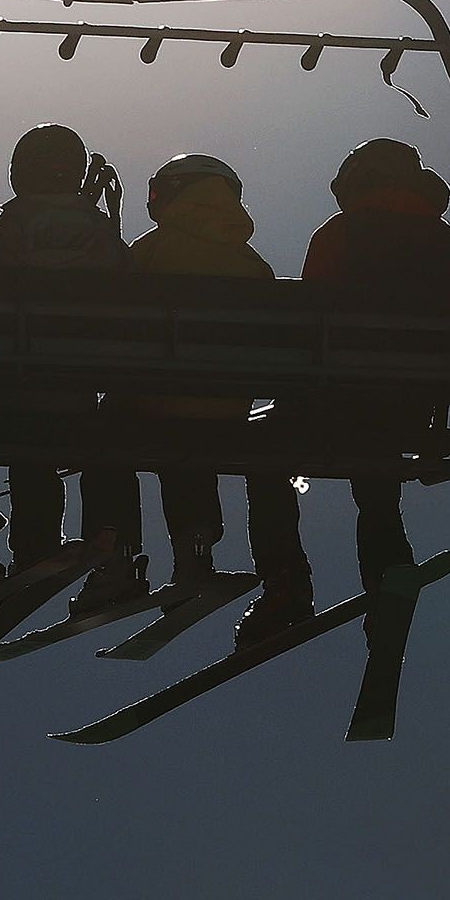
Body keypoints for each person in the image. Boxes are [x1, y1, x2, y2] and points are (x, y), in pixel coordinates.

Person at [239, 137, 450, 647]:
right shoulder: (443, 238)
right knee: (377, 488)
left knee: (261, 452)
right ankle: (388, 577)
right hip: (405, 407)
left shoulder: (339, 233)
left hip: (334, 399)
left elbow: (312, 319)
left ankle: (286, 582)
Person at [0, 123, 142, 615]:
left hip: (7, 394)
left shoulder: (9, 232)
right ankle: (106, 554)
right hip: (75, 394)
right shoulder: (101, 233)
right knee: (66, 432)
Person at [127, 154, 274, 588]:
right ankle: (198, 550)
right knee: (196, 440)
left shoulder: (152, 249)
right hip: (225, 404)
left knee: (124, 428)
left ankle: (115, 553)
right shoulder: (253, 265)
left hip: (159, 399)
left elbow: (116, 317)